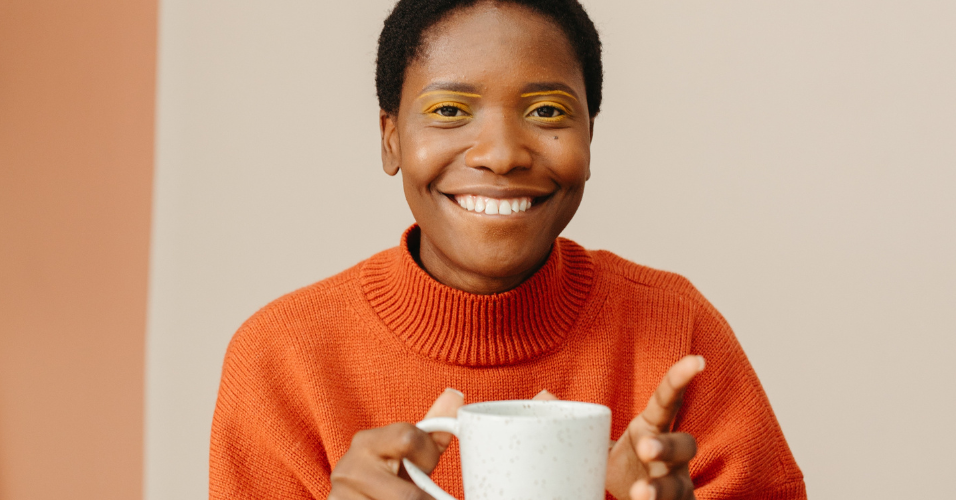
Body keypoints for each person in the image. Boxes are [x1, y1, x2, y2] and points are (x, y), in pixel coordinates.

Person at [209, 0, 806, 498]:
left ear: (590, 137)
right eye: (449, 111)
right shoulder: (280, 360)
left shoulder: (677, 328)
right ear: (391, 138)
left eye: (547, 110)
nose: (501, 153)